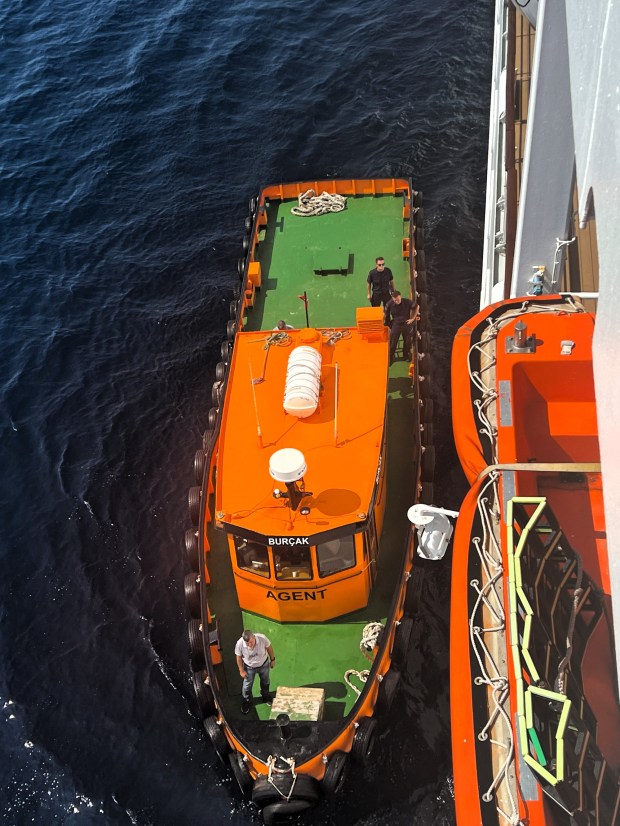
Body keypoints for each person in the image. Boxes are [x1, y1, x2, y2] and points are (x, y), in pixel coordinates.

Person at [235, 629, 276, 714]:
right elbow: (238, 657)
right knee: (247, 686)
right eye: (247, 643)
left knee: (265, 681)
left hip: (263, 665)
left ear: (254, 637)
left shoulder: (262, 638)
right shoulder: (239, 644)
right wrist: (241, 670)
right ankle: (246, 700)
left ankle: (265, 696)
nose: (249, 645)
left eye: (251, 642)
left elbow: (269, 648)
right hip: (249, 668)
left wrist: (272, 660)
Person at [384, 290, 416, 363]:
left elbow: (417, 307)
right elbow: (386, 315)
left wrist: (413, 318)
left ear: (400, 297)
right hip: (396, 324)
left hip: (406, 323)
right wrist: (388, 326)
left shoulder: (407, 302)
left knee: (407, 342)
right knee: (392, 344)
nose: (397, 301)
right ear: (392, 299)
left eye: (398, 300)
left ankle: (405, 355)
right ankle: (390, 358)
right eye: (395, 300)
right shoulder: (389, 304)